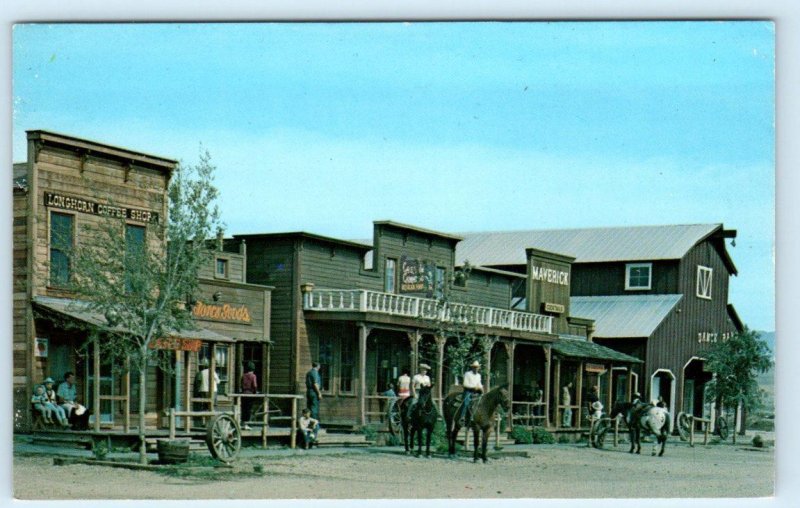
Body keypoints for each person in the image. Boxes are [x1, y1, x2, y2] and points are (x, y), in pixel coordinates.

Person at [240, 361, 258, 430]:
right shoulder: (253, 376)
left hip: (243, 393)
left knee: (244, 409)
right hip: (250, 394)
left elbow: (241, 385)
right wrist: (255, 392)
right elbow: (255, 385)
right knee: (248, 409)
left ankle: (243, 423)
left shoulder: (243, 375)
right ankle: (246, 424)